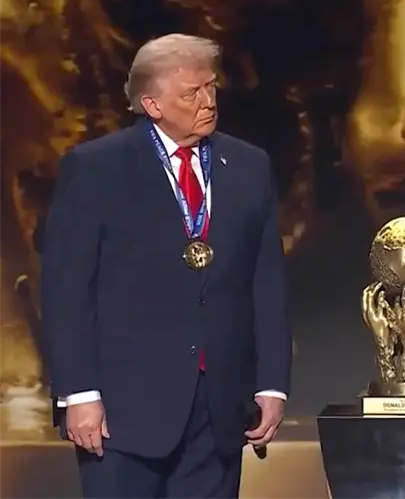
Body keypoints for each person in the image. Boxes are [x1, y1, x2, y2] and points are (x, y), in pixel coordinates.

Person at [40, 33, 291, 499]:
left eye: (211, 87)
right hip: (122, 411)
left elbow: (267, 282)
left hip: (218, 407)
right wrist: (78, 394)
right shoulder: (96, 168)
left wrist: (272, 384)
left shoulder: (249, 166)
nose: (208, 102)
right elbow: (66, 291)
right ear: (152, 105)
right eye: (191, 94)